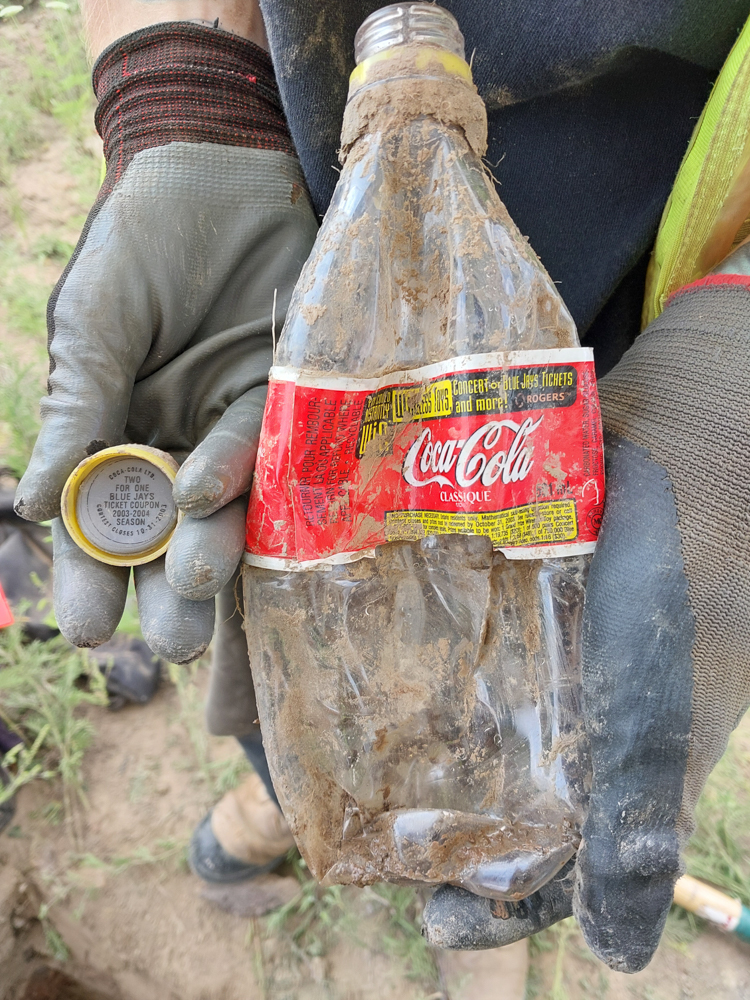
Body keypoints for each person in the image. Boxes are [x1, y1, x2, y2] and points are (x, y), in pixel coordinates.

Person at [13, 0, 750, 975]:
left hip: (616, 364)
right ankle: (267, 811)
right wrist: (188, 87)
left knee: (560, 667)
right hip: (289, 310)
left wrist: (735, 350)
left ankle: (370, 833)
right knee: (296, 650)